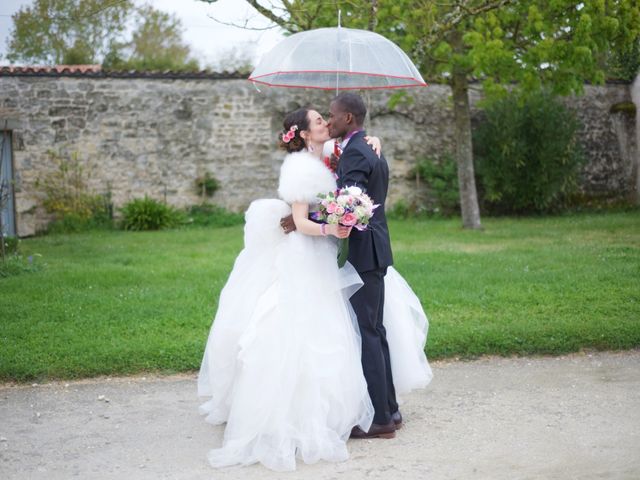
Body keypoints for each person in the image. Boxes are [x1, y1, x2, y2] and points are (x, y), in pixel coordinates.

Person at [197, 106, 432, 472]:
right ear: (304, 133)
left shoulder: (327, 156)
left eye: (328, 117)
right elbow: (302, 221)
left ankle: (354, 410)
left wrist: (374, 140)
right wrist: (330, 229)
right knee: (307, 332)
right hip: (306, 255)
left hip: (324, 257)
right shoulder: (298, 168)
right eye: (319, 121)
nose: (326, 122)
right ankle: (306, 417)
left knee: (338, 331)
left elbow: (351, 162)